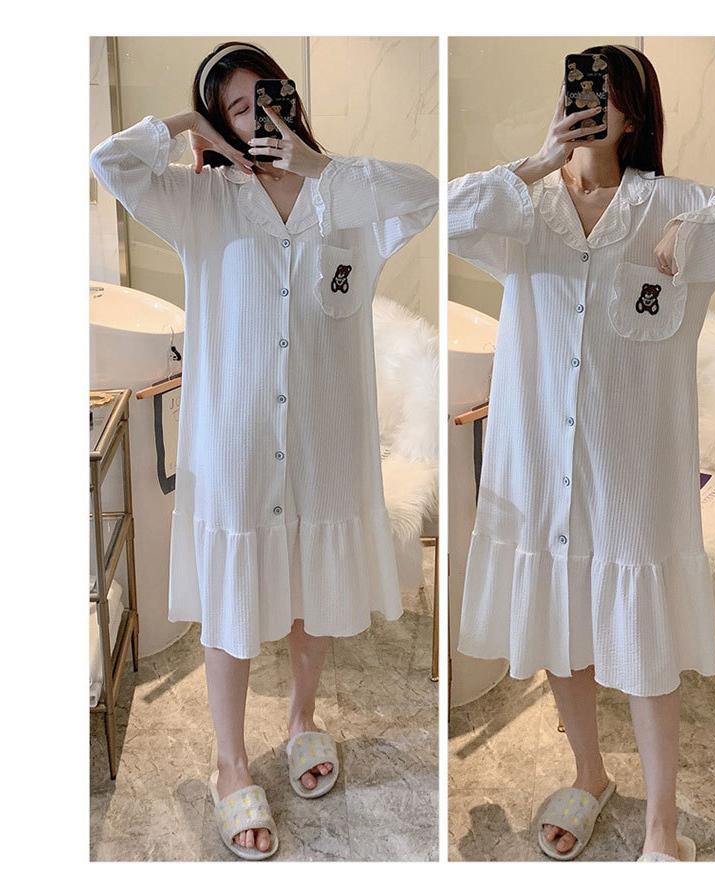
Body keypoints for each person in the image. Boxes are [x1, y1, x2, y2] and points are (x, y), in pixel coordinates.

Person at [448, 44, 715, 862]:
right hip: (541, 461)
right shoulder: (522, 208)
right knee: (560, 622)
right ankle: (589, 772)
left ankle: (661, 827)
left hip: (634, 471)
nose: (592, 106)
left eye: (610, 95)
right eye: (582, 91)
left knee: (643, 644)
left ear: (635, 113)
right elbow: (450, 215)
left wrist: (694, 224)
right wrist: (539, 159)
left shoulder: (672, 203)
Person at [91, 41, 438, 860]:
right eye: (237, 110)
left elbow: (425, 194)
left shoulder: (346, 199)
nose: (257, 119)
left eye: (266, 100)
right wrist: (191, 124)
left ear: (294, 102)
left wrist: (319, 167)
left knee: (313, 589)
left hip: (325, 444)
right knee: (235, 600)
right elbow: (111, 163)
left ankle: (302, 719)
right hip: (237, 441)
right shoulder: (203, 204)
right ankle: (230, 764)